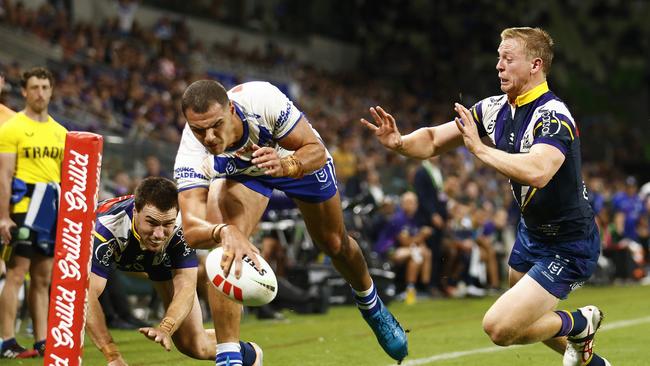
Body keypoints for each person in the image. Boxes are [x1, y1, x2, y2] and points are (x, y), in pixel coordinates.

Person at [362, 27, 611, 366]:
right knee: (526, 322)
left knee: (500, 327)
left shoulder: (554, 116)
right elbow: (435, 139)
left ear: (535, 65)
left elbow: (538, 171)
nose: (499, 66)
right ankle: (596, 363)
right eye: (498, 58)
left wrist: (478, 149)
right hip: (532, 234)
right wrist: (400, 143)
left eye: (508, 58)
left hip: (569, 242)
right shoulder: (494, 109)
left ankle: (582, 322)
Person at [174, 80, 408, 364]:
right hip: (245, 174)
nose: (209, 137)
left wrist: (287, 165)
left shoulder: (261, 99)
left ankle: (372, 306)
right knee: (225, 247)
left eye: (216, 125)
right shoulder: (191, 151)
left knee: (334, 243)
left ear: (231, 109)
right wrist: (224, 232)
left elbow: (316, 152)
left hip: (292, 158)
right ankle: (229, 357)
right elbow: (192, 228)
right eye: (199, 129)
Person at [87, 177, 262, 366]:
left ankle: (250, 355)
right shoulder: (104, 229)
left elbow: (186, 287)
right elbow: (86, 298)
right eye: (152, 223)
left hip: (161, 263)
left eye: (166, 224)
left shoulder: (182, 228)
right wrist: (112, 355)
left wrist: (165, 328)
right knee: (72, 316)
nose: (159, 234)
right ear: (135, 211)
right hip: (113, 257)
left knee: (195, 345)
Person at [0, 67, 66, 358]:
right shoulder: (11, 128)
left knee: (43, 279)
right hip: (22, 210)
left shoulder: (61, 133)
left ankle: (42, 340)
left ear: (51, 91)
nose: (40, 93)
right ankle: (7, 340)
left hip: (49, 213)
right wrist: (3, 216)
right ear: (24, 92)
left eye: (44, 87)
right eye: (34, 87)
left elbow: (65, 180)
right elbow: (3, 176)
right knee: (16, 274)